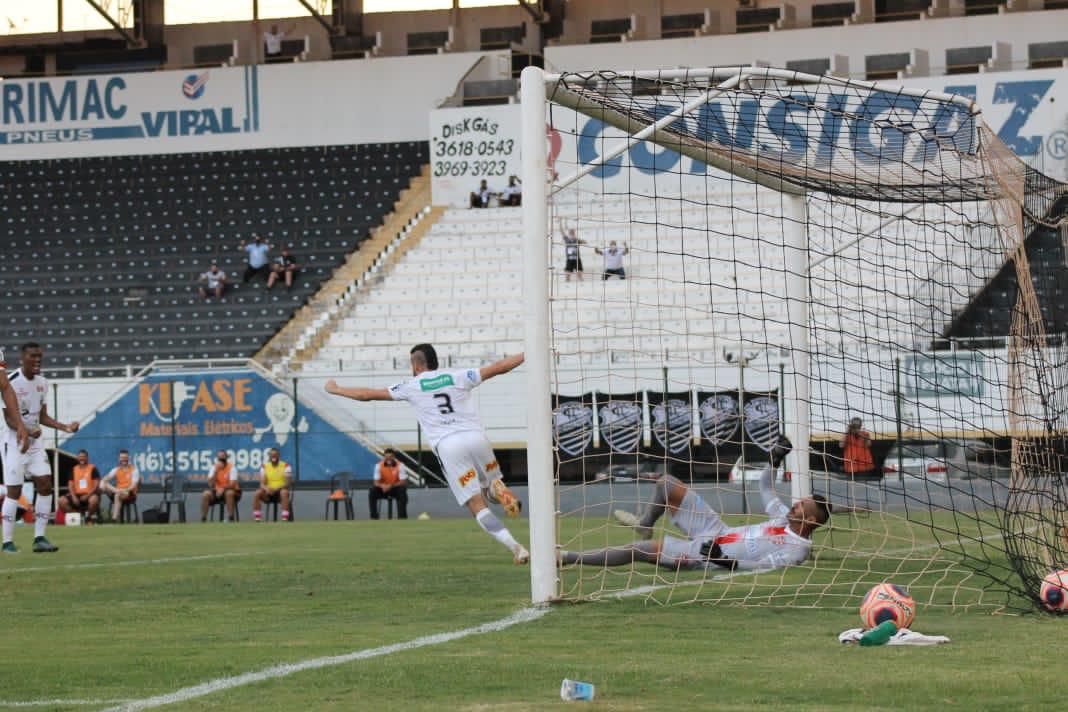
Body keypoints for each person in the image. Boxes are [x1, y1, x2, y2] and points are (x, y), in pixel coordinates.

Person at [325, 344, 529, 563]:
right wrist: (529, 353)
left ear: (416, 364)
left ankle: (515, 547)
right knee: (490, 488)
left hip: (449, 445)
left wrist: (336, 389)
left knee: (476, 504)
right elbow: (499, 367)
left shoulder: (411, 386)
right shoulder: (458, 376)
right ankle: (496, 488)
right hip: (476, 438)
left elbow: (367, 395)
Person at [563, 437, 831, 572]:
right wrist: (775, 459)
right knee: (666, 484)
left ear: (809, 520)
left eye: (801, 507)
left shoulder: (796, 551)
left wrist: (722, 560)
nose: (795, 505)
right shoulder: (784, 517)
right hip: (716, 529)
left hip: (707, 555)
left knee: (639, 550)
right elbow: (765, 486)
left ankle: (566, 558)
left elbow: (761, 568)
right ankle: (645, 524)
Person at [2, 343, 79, 553]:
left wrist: (65, 427)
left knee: (45, 484)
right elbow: (8, 418)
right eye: (33, 356)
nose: (37, 360)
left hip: (35, 443)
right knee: (14, 491)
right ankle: (7, 542)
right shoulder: (11, 382)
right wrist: (26, 431)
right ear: (22, 359)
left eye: (40, 356)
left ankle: (39, 538)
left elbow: (42, 417)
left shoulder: (43, 383)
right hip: (14, 443)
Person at [59, 449, 101, 524]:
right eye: (80, 456)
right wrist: (74, 497)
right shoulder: (74, 469)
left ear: (87, 458)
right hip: (76, 495)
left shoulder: (93, 468)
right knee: (61, 501)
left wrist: (87, 495)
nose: (82, 458)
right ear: (78, 458)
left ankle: (88, 518)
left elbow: (96, 485)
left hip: (89, 494)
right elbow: (70, 485)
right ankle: (77, 517)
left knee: (94, 500)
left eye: (84, 456)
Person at [252, 448, 292, 522]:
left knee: (284, 492)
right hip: (268, 494)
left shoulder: (286, 466)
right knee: (257, 492)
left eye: (275, 455)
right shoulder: (264, 466)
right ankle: (257, 518)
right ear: (269, 456)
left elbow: (287, 484)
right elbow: (262, 484)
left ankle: (285, 518)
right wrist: (267, 489)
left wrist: (277, 489)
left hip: (280, 493)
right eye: (271, 455)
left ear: (278, 455)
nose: (273, 456)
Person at [100, 449, 140, 523]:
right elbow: (104, 480)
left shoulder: (134, 470)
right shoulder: (116, 470)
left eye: (125, 457)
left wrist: (123, 491)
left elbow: (133, 486)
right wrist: (115, 490)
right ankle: (100, 518)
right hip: (117, 491)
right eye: (122, 458)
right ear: (119, 459)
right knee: (102, 484)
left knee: (117, 495)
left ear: (128, 458)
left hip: (129, 493)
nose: (123, 459)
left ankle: (114, 519)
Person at [201, 450, 241, 522]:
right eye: (219, 457)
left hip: (232, 492)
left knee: (229, 493)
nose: (221, 459)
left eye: (223, 457)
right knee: (205, 494)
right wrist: (216, 471)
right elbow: (210, 484)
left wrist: (222, 488)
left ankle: (231, 518)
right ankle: (203, 519)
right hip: (217, 492)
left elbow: (232, 484)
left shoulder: (232, 468)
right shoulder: (214, 468)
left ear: (226, 457)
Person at [370, 448, 408, 520]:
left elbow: (403, 481)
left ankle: (402, 517)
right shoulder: (378, 465)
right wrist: (382, 486)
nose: (388, 459)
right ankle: (374, 517)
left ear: (394, 457)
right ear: (384, 457)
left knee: (402, 491)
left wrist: (391, 486)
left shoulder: (400, 465)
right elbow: (375, 482)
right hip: (383, 489)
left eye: (390, 457)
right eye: (386, 457)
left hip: (395, 489)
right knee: (372, 491)